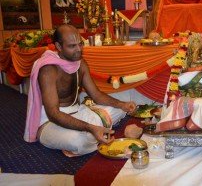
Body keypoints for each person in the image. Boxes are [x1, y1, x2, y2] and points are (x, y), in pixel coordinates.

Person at [24, 24, 137, 156]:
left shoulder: (80, 63)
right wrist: (90, 127)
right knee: (79, 141)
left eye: (80, 44)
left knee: (121, 108)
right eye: (72, 46)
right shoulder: (49, 70)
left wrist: (122, 105)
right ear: (59, 47)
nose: (79, 49)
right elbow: (53, 114)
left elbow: (96, 95)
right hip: (51, 123)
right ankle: (92, 134)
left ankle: (94, 134)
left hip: (78, 114)